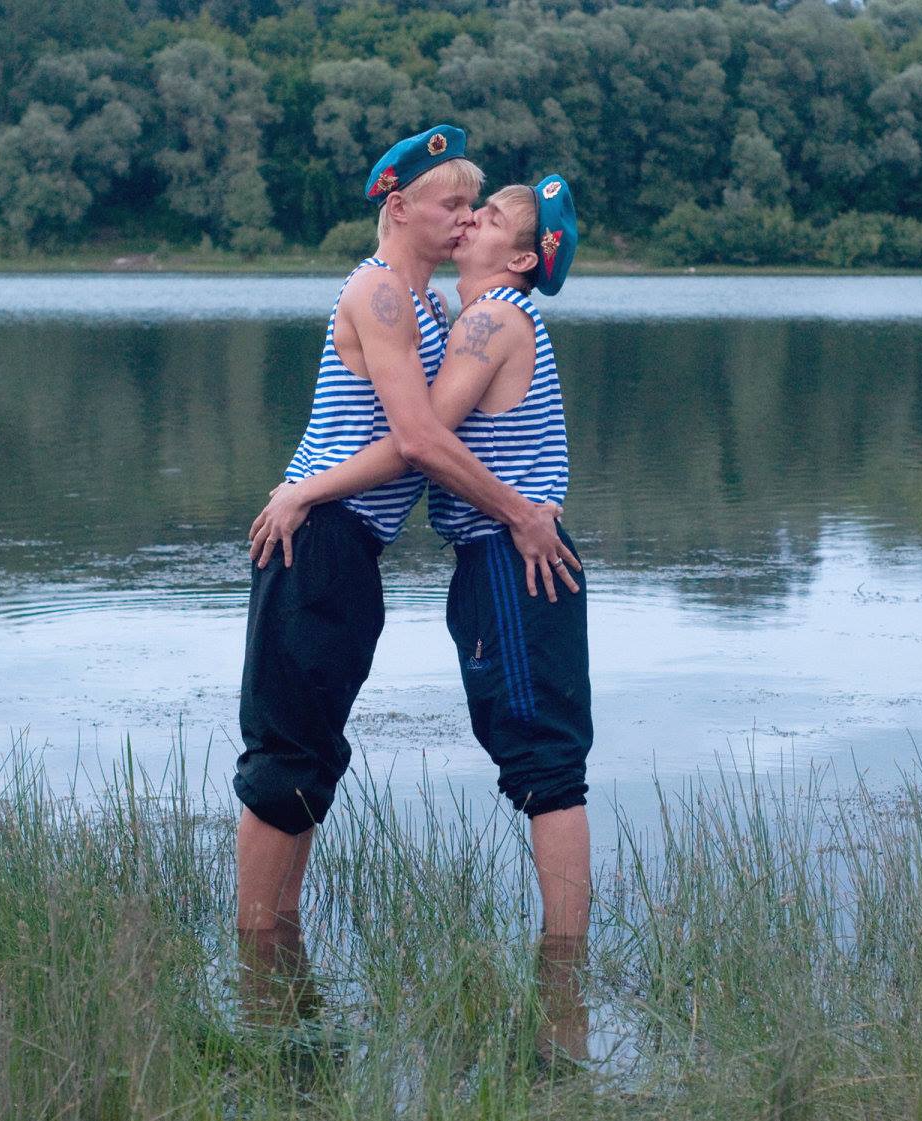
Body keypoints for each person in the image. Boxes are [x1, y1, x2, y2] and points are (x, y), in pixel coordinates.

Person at [248, 173, 592, 1069]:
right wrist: (304, 489)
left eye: (488, 216)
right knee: (302, 748)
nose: (469, 220)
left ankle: (565, 968)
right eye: (461, 208)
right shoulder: (441, 309)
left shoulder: (490, 318)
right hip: (477, 552)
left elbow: (421, 438)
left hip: (511, 556)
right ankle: (563, 983)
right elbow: (411, 424)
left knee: (547, 762)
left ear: (523, 259)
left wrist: (304, 489)